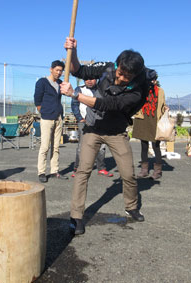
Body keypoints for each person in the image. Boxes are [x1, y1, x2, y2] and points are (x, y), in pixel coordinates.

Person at [61, 37, 147, 235]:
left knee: (128, 173)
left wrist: (75, 95)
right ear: (117, 65)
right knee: (83, 171)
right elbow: (78, 70)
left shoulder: (138, 92)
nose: (121, 78)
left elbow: (108, 105)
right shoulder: (108, 67)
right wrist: (73, 51)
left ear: (135, 75)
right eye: (120, 73)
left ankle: (131, 206)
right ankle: (76, 216)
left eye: (127, 77)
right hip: (93, 128)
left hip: (117, 132)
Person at [71, 78, 114, 178]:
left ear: (97, 79)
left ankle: (101, 168)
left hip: (100, 122)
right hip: (84, 122)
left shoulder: (102, 89)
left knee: (102, 146)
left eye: (92, 79)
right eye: (87, 79)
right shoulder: (80, 89)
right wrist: (79, 118)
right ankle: (77, 168)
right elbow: (74, 105)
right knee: (82, 146)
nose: (89, 81)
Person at [34, 60, 68, 183]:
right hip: (47, 118)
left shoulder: (60, 83)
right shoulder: (42, 82)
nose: (59, 73)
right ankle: (41, 172)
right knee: (44, 147)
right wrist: (44, 112)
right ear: (51, 69)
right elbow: (37, 100)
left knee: (56, 147)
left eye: (61, 71)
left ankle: (54, 171)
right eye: (57, 70)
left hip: (58, 118)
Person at [132, 70, 167, 179]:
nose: (153, 81)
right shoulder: (141, 89)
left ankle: (158, 171)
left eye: (154, 79)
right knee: (144, 146)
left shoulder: (160, 91)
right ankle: (144, 170)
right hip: (142, 118)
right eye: (151, 79)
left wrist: (165, 110)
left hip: (155, 119)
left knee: (156, 146)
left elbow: (162, 104)